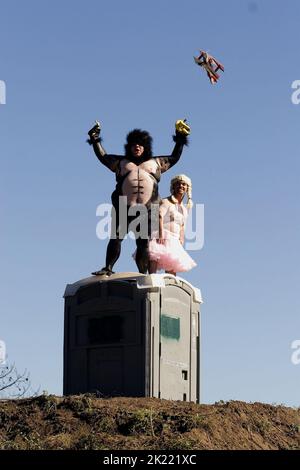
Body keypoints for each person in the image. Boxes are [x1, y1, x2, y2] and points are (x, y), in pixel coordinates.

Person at [87, 120, 190, 275]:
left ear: (145, 147)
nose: (137, 147)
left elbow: (174, 157)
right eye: (134, 145)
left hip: (148, 210)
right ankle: (108, 267)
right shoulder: (120, 162)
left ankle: (143, 273)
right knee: (116, 237)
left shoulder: (156, 162)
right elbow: (103, 156)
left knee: (143, 243)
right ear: (129, 147)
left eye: (140, 145)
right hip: (123, 206)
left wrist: (180, 137)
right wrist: (95, 139)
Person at [148, 174, 196, 276]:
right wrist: (160, 234)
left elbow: (182, 225)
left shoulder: (184, 208)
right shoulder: (166, 201)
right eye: (178, 184)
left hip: (174, 239)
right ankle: (151, 278)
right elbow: (159, 216)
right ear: (173, 187)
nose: (181, 186)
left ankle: (170, 284)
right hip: (162, 235)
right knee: (155, 255)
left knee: (173, 263)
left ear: (187, 188)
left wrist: (181, 238)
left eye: (184, 184)